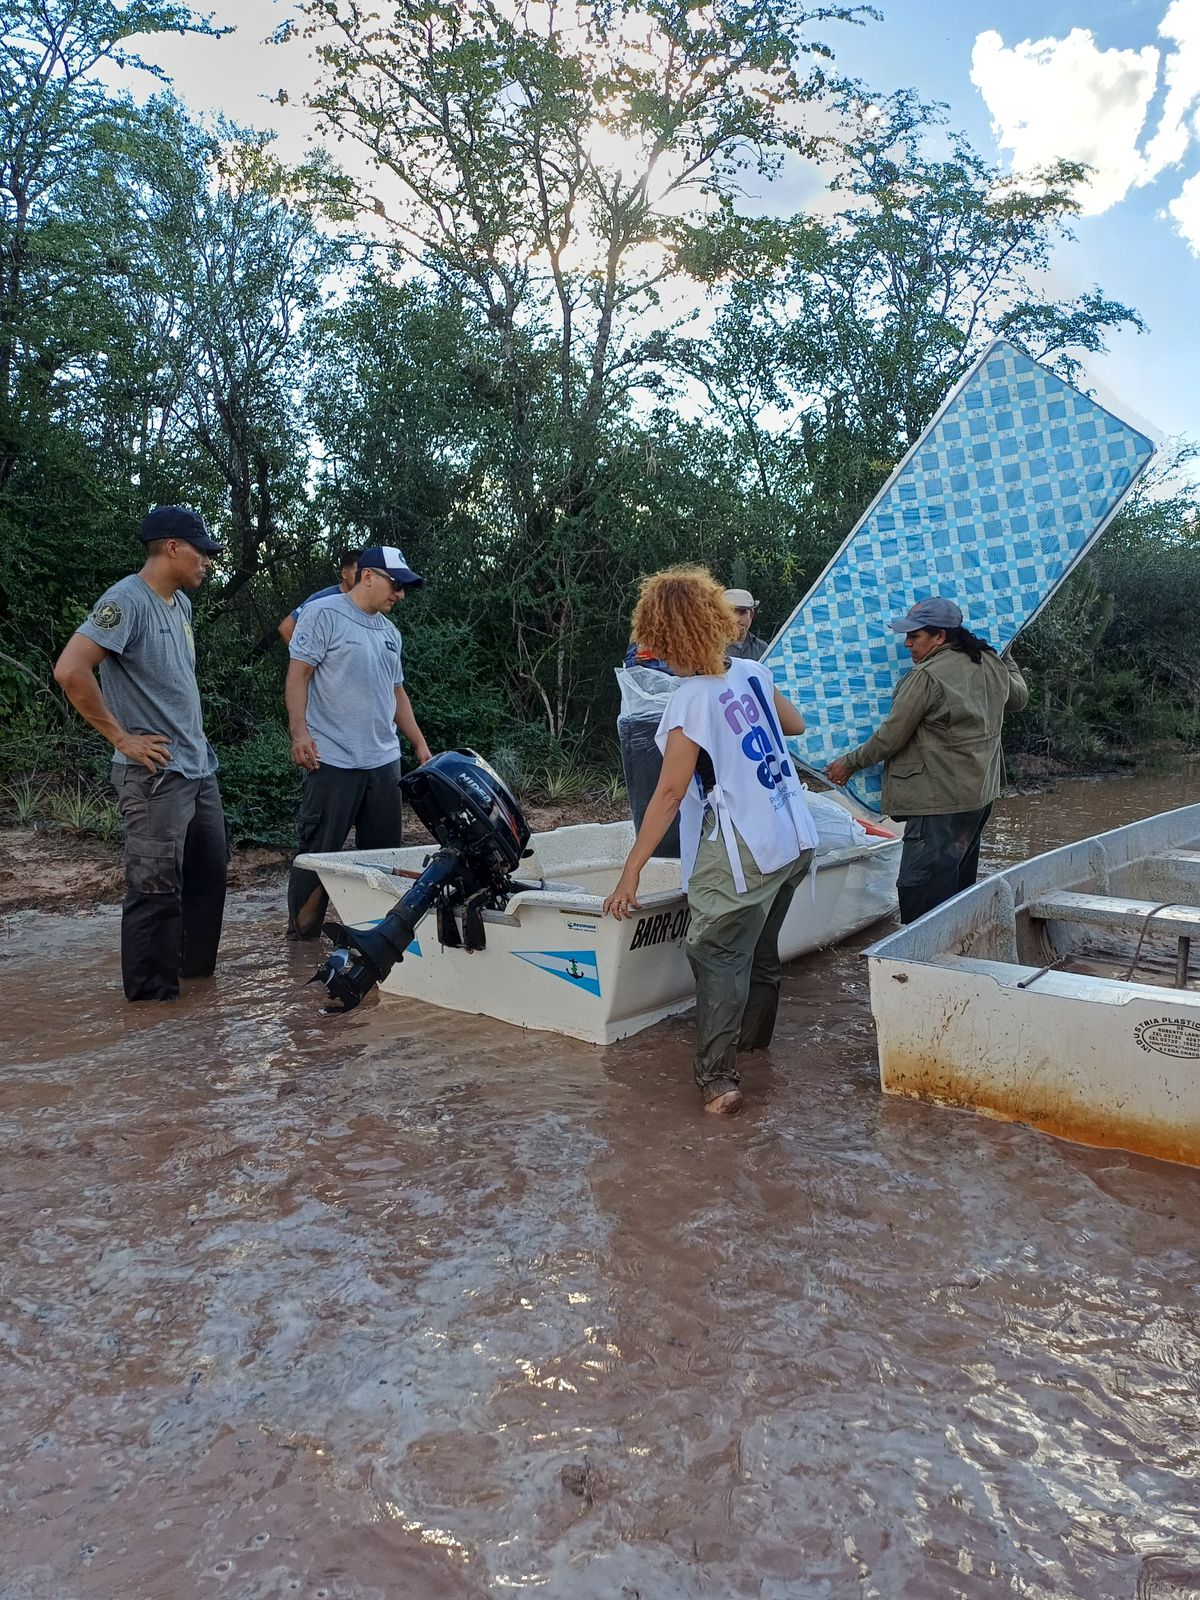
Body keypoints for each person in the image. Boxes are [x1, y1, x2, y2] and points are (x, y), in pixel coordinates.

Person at [603, 566, 820, 1117]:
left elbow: (670, 793)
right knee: (759, 948)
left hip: (748, 839)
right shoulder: (752, 671)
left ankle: (718, 1080)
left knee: (715, 949)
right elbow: (793, 726)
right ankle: (754, 1042)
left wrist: (630, 873)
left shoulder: (691, 698)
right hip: (792, 833)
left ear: (665, 635)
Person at [53, 506, 228, 1002]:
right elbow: (70, 670)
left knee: (209, 877)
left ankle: (195, 998)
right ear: (172, 547)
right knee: (154, 891)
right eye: (203, 552)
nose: (209, 562)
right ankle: (152, 1012)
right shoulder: (125, 600)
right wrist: (121, 738)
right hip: (153, 776)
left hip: (197, 767)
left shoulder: (181, 605)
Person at [825, 597, 1029, 924]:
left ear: (940, 637)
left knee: (918, 892)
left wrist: (850, 763)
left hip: (939, 805)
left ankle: (918, 966)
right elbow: (1018, 697)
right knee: (957, 886)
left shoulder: (926, 677)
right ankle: (953, 955)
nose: (907, 643)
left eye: (914, 636)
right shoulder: (990, 662)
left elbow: (891, 736)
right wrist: (1007, 656)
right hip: (978, 799)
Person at [286, 544, 434, 940]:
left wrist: (419, 745)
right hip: (331, 758)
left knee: (383, 859)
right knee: (319, 855)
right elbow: (298, 674)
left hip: (383, 763)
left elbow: (397, 694)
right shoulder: (323, 614)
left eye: (404, 588)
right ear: (367, 576)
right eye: (396, 584)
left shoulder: (390, 633)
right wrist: (299, 733)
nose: (400, 594)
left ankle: (375, 941)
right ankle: (302, 941)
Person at [276, 548, 360, 646]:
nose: (361, 579)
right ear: (344, 573)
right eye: (357, 574)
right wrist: (303, 659)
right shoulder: (322, 598)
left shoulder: (365, 603)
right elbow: (286, 628)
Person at [724, 588, 769, 661]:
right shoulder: (708, 648)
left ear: (751, 614)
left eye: (742, 612)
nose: (736, 619)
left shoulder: (762, 649)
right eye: (730, 612)